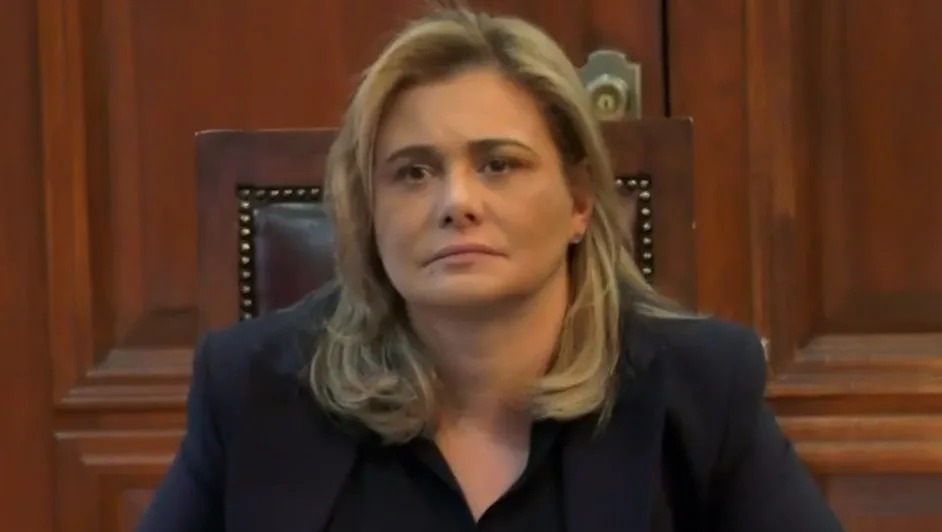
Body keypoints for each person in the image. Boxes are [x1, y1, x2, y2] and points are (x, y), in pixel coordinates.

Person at [138, 5, 843, 532]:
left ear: (578, 202)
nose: (457, 202)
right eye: (413, 173)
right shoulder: (252, 389)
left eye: (499, 165)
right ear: (369, 214)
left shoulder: (701, 389)